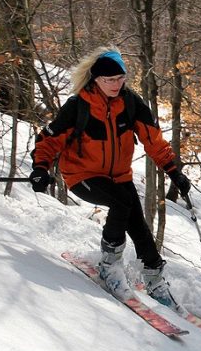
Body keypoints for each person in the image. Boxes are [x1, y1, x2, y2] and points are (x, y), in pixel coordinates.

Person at [28, 47, 191, 308]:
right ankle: (109, 265)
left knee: (138, 224)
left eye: (120, 78)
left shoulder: (130, 103)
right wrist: (40, 169)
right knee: (121, 203)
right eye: (109, 80)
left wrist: (174, 172)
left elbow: (153, 140)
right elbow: (49, 140)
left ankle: (154, 278)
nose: (115, 84)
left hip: (118, 176)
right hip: (82, 175)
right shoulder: (78, 106)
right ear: (96, 80)